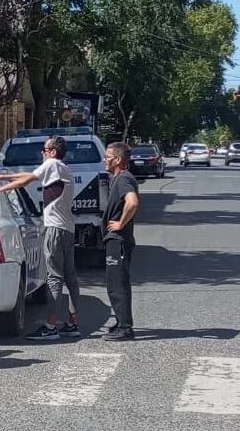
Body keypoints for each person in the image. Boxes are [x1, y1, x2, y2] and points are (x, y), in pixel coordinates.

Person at [0, 136, 79, 340]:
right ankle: (72, 322)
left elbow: (27, 179)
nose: (42, 153)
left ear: (53, 151)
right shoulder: (63, 168)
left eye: (44, 149)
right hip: (68, 228)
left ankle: (51, 326)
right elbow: (30, 175)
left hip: (54, 229)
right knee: (69, 276)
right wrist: (5, 175)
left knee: (54, 276)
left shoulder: (52, 164)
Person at [101, 142, 140, 341]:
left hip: (118, 239)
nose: (104, 159)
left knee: (118, 283)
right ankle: (121, 320)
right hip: (115, 240)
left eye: (108, 156)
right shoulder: (118, 178)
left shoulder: (124, 178)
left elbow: (132, 202)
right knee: (114, 281)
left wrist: (120, 224)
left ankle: (125, 327)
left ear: (117, 160)